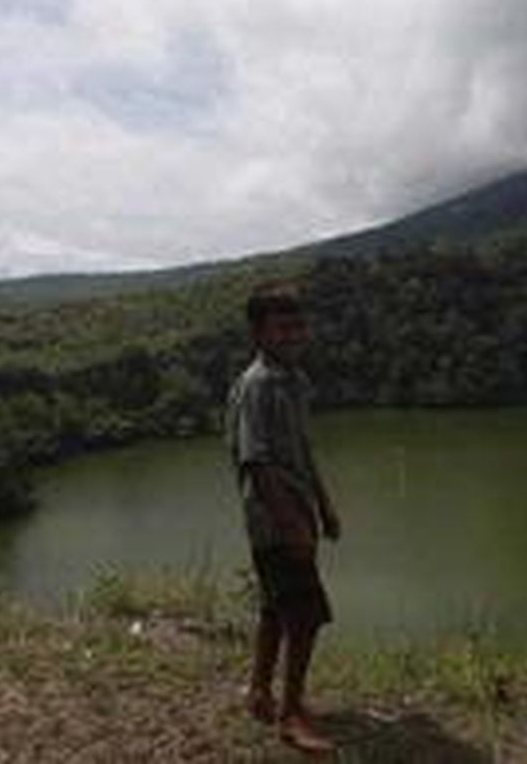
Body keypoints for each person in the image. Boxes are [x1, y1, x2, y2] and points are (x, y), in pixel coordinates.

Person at [225, 282, 342, 754]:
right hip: (273, 519)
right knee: (306, 616)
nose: (294, 334)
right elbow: (256, 460)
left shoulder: (294, 381)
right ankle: (291, 715)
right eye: (282, 327)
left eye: (298, 325)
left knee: (277, 607)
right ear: (258, 332)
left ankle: (259, 692)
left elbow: (301, 449)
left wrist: (324, 504)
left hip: (297, 511)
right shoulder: (259, 385)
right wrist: (291, 523)